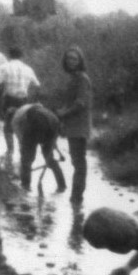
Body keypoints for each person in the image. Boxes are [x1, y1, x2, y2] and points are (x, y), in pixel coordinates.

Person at [56, 46, 93, 205]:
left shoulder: (82, 78)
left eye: (75, 59)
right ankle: (76, 198)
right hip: (73, 125)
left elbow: (81, 103)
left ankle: (76, 198)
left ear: (80, 61)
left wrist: (63, 113)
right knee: (76, 161)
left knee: (79, 163)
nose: (71, 61)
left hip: (80, 126)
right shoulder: (73, 78)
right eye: (69, 58)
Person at [12, 103, 66, 193]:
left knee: (26, 159)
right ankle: (62, 185)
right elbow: (51, 135)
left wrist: (23, 161)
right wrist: (52, 147)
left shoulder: (16, 121)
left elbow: (21, 140)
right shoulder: (37, 108)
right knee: (49, 158)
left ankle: (25, 185)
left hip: (36, 122)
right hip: (55, 122)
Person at [0, 47, 39, 161]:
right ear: (22, 56)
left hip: (9, 99)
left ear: (9, 55)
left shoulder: (4, 67)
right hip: (24, 100)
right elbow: (37, 85)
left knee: (8, 127)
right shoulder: (28, 69)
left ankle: (10, 151)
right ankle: (23, 151)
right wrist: (32, 99)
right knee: (22, 126)